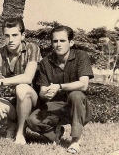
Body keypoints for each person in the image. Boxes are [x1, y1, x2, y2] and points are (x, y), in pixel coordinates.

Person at [26, 25, 93, 154]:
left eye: (62, 41)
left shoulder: (81, 56)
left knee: (76, 95)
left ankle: (75, 141)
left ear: (71, 42)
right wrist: (47, 94)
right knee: (32, 120)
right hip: (55, 106)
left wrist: (59, 87)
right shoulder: (46, 62)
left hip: (78, 105)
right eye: (55, 41)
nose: (58, 44)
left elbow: (84, 84)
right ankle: (55, 134)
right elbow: (42, 91)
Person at [0, 17, 41, 144]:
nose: (11, 40)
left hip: (31, 100)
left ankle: (20, 134)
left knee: (22, 88)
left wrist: (0, 82)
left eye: (15, 35)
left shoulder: (32, 48)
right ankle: (11, 126)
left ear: (23, 35)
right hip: (10, 102)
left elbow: (28, 77)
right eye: (7, 36)